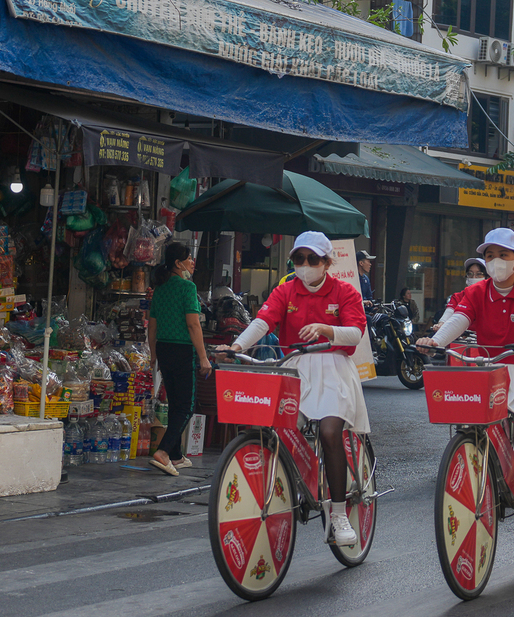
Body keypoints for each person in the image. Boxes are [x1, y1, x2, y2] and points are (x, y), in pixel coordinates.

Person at [416, 228, 514, 554]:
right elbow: (459, 319)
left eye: (504, 255)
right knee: (475, 427)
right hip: (492, 372)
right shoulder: (477, 292)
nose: (496, 262)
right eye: (489, 256)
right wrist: (436, 341)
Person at [224, 232, 370, 546]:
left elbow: (356, 333)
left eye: (312, 259)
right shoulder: (285, 290)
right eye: (298, 259)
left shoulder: (345, 291)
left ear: (328, 262)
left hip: (333, 368)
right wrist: (236, 345)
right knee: (275, 426)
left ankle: (339, 513)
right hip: (295, 369)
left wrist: (326, 328)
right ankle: (290, 487)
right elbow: (263, 321)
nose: (304, 266)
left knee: (331, 432)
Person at [147, 242, 213, 476]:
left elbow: (152, 326)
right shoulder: (187, 287)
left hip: (164, 349)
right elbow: (193, 324)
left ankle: (175, 454)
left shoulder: (161, 288)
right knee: (186, 406)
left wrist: (153, 354)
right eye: (188, 258)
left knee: (175, 402)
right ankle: (163, 452)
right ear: (178, 263)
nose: (192, 262)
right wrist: (204, 358)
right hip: (183, 349)